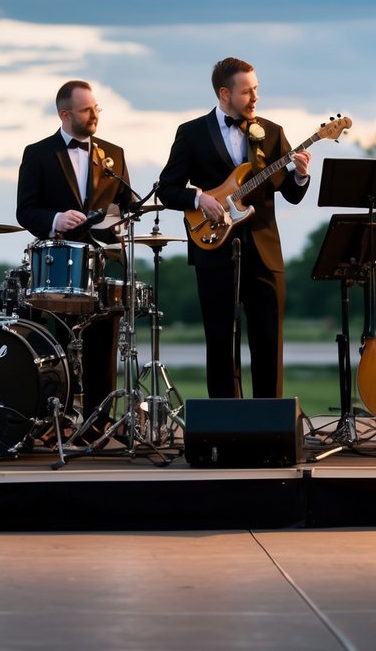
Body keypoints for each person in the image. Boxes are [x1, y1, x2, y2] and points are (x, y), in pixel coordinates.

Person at [158, 57, 310, 399]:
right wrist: (199, 200)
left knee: (269, 341)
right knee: (220, 342)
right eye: (247, 92)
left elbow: (291, 193)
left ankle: (270, 426)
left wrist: (300, 174)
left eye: (256, 89)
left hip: (264, 251)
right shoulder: (191, 132)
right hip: (213, 248)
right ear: (224, 93)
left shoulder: (271, 132)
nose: (255, 97)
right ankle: (226, 430)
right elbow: (167, 189)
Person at [16, 80, 133, 432]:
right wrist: (55, 219)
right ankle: (57, 420)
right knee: (60, 347)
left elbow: (124, 207)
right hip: (58, 267)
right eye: (86, 109)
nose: (94, 114)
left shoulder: (113, 153)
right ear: (65, 114)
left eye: (96, 107)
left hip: (105, 264)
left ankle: (100, 423)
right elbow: (25, 210)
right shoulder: (37, 153)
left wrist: (117, 224)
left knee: (104, 346)